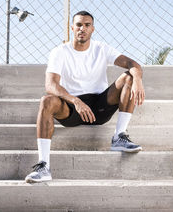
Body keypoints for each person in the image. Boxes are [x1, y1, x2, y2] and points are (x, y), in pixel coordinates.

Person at [25, 11, 145, 183]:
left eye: (87, 25)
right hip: (72, 108)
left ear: (92, 29)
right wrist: (75, 100)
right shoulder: (60, 52)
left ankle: (119, 136)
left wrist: (137, 79)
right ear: (72, 28)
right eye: (79, 25)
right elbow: (50, 85)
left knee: (129, 76)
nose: (83, 28)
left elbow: (132, 64)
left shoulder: (101, 48)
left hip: (100, 106)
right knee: (46, 100)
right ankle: (44, 166)